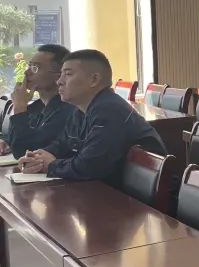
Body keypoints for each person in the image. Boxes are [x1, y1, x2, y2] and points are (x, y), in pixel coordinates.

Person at [17, 49, 167, 183]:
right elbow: (63, 144)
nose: (59, 81)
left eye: (68, 74)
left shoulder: (109, 110)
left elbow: (88, 166)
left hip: (137, 201)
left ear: (94, 79)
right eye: (61, 74)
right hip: (107, 191)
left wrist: (50, 165)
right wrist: (38, 158)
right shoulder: (80, 109)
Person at [0, 44, 74, 159]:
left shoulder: (68, 110)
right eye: (29, 66)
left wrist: (19, 108)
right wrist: (6, 142)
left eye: (35, 68)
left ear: (58, 76)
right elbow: (23, 135)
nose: (27, 73)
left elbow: (24, 152)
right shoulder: (36, 107)